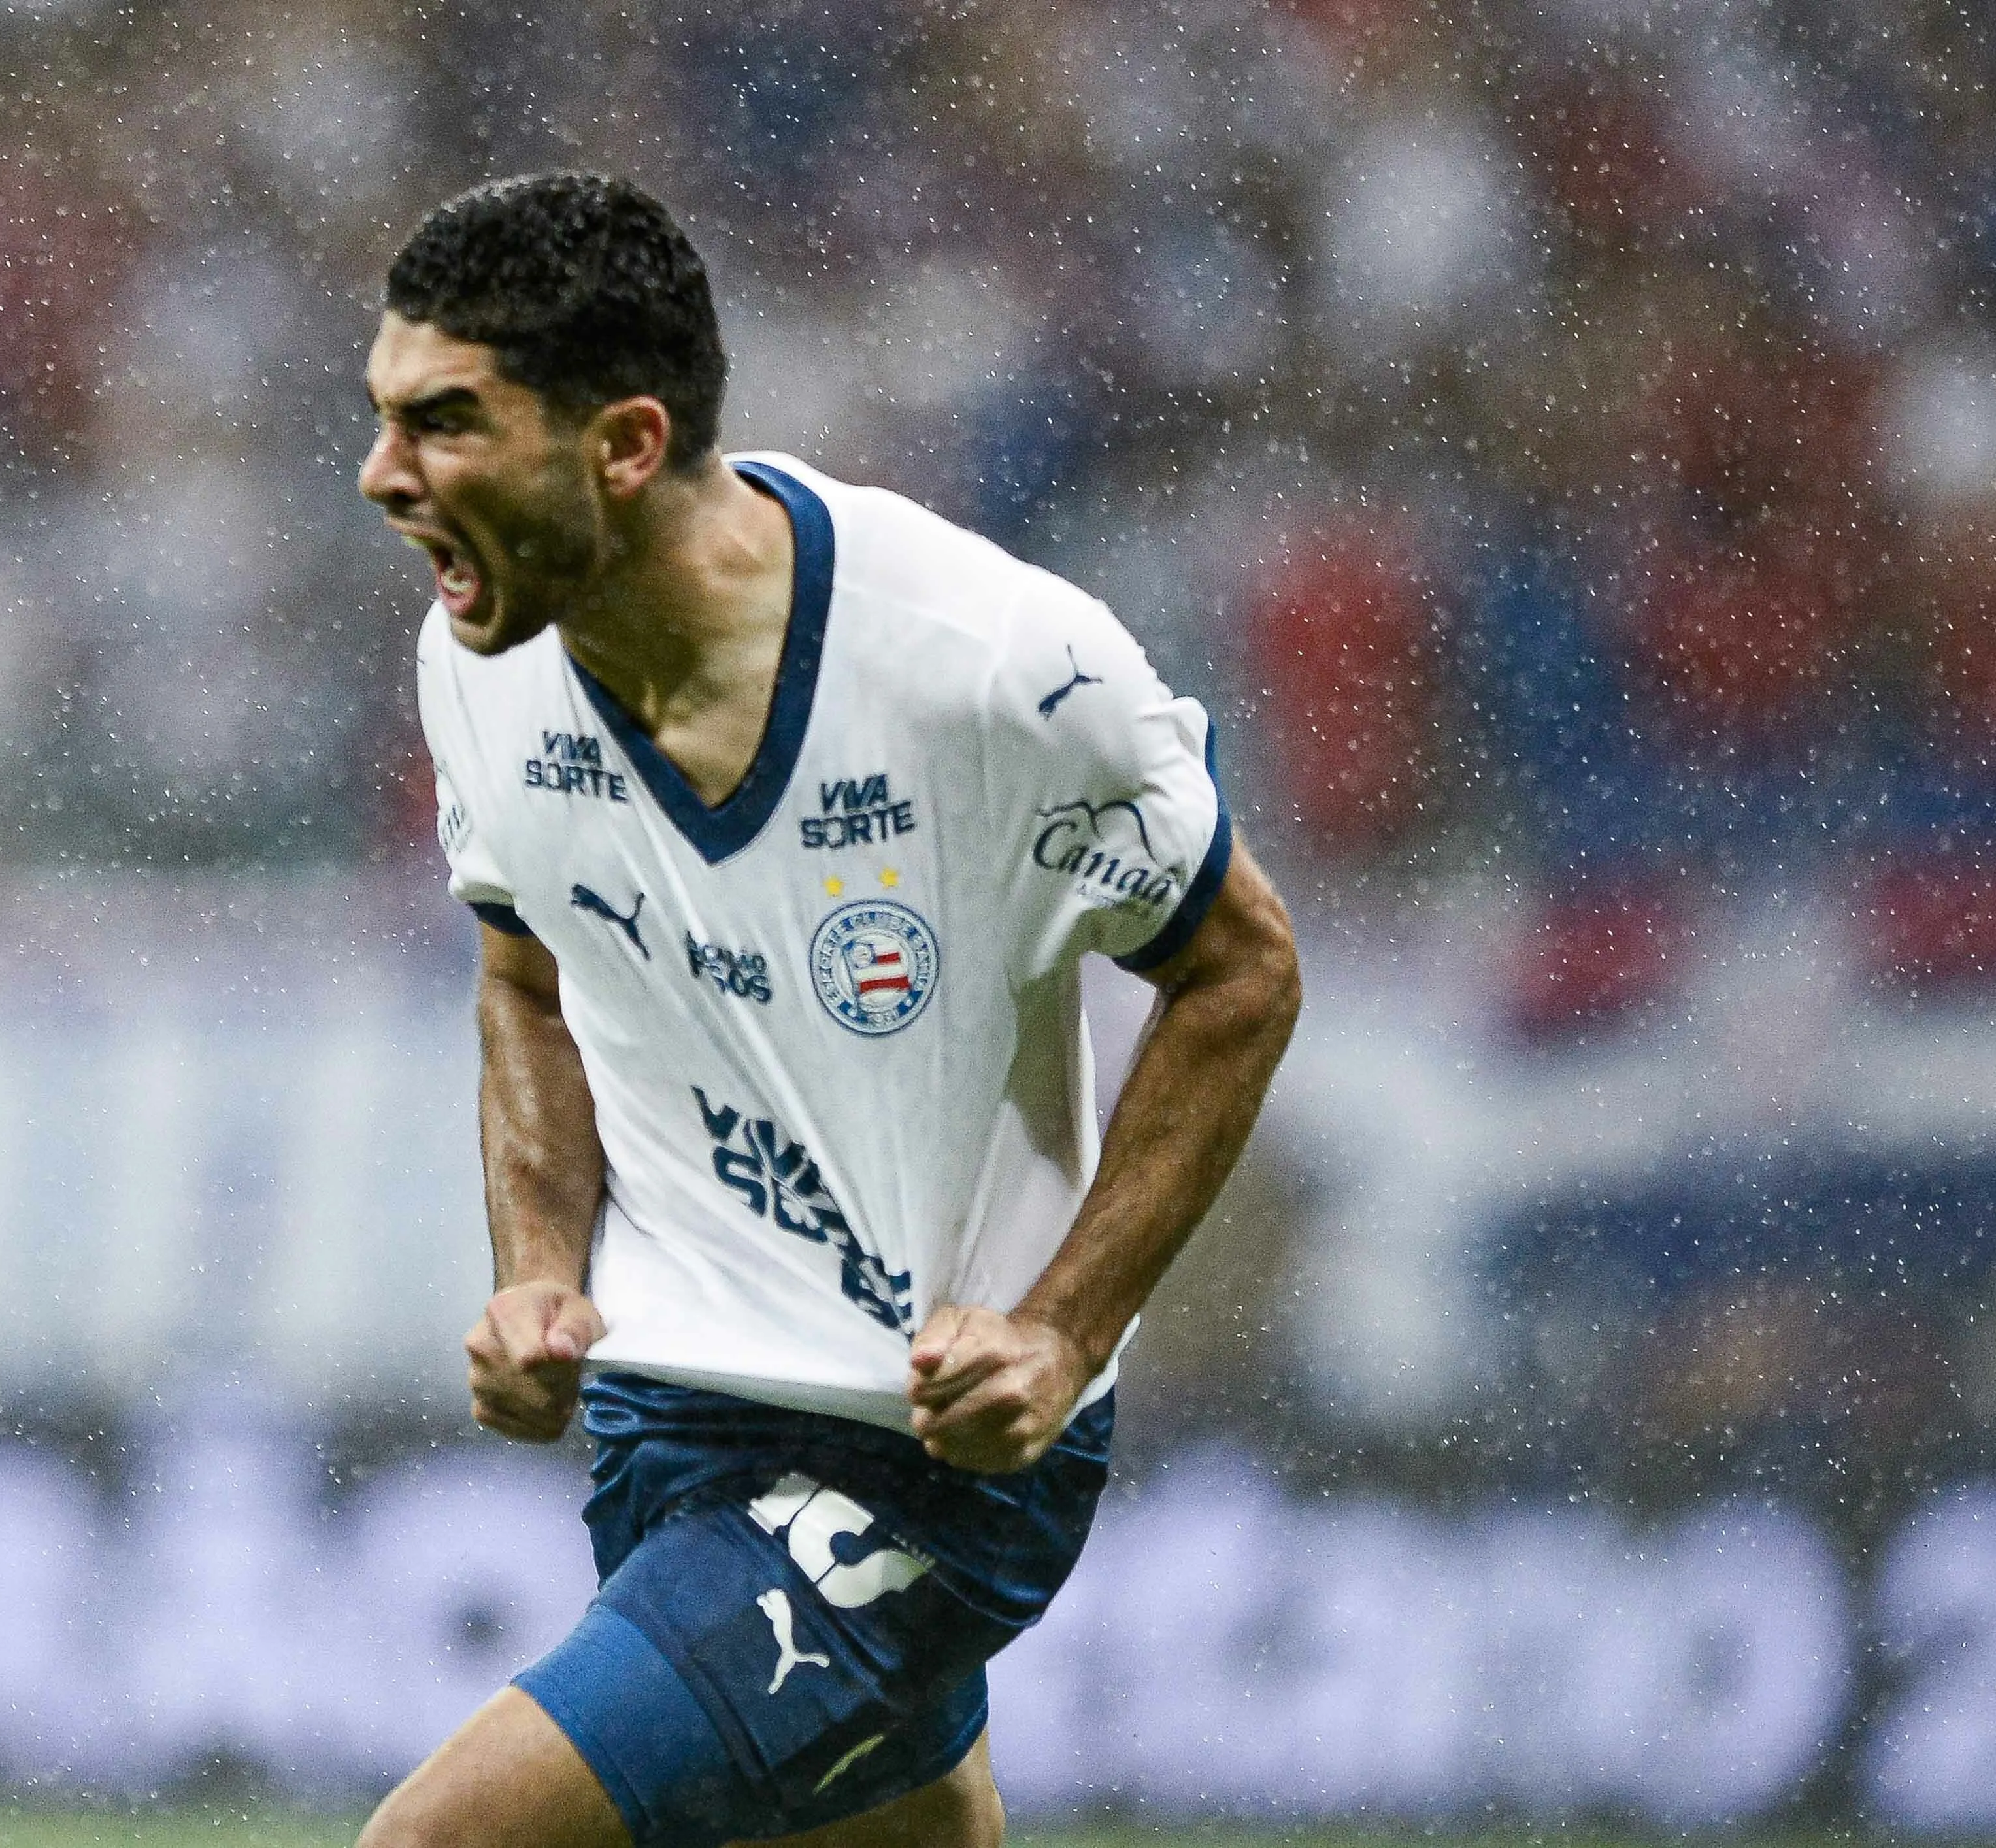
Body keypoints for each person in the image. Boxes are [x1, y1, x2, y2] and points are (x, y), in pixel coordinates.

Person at [353, 172, 1301, 1848]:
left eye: (444, 424)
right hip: (669, 1414)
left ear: (623, 445)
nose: (383, 476)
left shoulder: (986, 665)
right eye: (382, 418)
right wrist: (536, 1272)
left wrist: (1061, 1328)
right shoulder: (479, 655)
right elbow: (526, 968)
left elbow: (1237, 968)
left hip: (921, 1451)